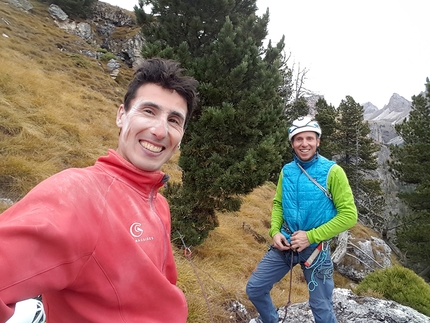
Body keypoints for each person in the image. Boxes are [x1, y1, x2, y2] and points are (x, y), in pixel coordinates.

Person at [0, 58, 199, 323]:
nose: (160, 131)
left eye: (174, 120)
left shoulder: (157, 202)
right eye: (149, 111)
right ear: (121, 115)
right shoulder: (77, 194)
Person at [246, 116, 357, 323]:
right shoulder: (287, 171)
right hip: (286, 244)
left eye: (309, 138)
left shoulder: (333, 172)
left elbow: (349, 215)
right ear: (292, 143)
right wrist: (275, 231)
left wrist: (311, 236)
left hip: (316, 249)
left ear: (318, 141)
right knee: (255, 288)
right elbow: (278, 203)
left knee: (321, 306)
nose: (304, 144)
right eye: (298, 139)